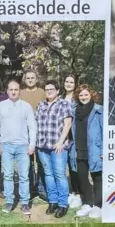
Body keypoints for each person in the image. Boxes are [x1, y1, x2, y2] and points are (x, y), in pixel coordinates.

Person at [0, 79, 36, 215]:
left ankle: (24, 203)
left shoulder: (26, 106)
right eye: (11, 89)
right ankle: (9, 201)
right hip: (6, 146)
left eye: (16, 89)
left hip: (23, 146)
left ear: (19, 91)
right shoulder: (0, 106)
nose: (13, 92)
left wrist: (32, 144)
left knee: (24, 176)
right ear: (7, 91)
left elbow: (32, 127)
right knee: (8, 175)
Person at [35, 80, 73, 218]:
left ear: (57, 91)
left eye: (52, 89)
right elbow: (36, 124)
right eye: (47, 89)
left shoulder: (64, 104)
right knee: (48, 175)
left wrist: (60, 142)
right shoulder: (40, 105)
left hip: (58, 147)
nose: (49, 91)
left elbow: (67, 124)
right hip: (42, 146)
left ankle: (63, 204)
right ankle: (53, 201)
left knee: (59, 175)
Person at [69, 84, 104, 219]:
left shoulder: (99, 110)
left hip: (94, 149)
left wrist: (103, 149)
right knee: (82, 177)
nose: (83, 97)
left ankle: (98, 206)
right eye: (81, 95)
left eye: (86, 94)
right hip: (78, 149)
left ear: (91, 95)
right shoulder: (74, 111)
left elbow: (104, 131)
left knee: (97, 178)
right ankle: (88, 203)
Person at [19, 70, 47, 201]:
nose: (30, 80)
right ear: (25, 79)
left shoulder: (43, 92)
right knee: (27, 162)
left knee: (41, 161)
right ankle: (30, 189)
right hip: (25, 133)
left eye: (32, 78)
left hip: (41, 132)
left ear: (36, 79)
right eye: (28, 78)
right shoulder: (21, 93)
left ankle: (41, 188)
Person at [62, 74, 82, 210]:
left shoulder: (77, 99)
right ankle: (71, 191)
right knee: (67, 164)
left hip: (75, 135)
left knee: (75, 166)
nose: (68, 84)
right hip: (64, 137)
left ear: (75, 84)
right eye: (67, 81)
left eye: (71, 82)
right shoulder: (61, 98)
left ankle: (78, 194)